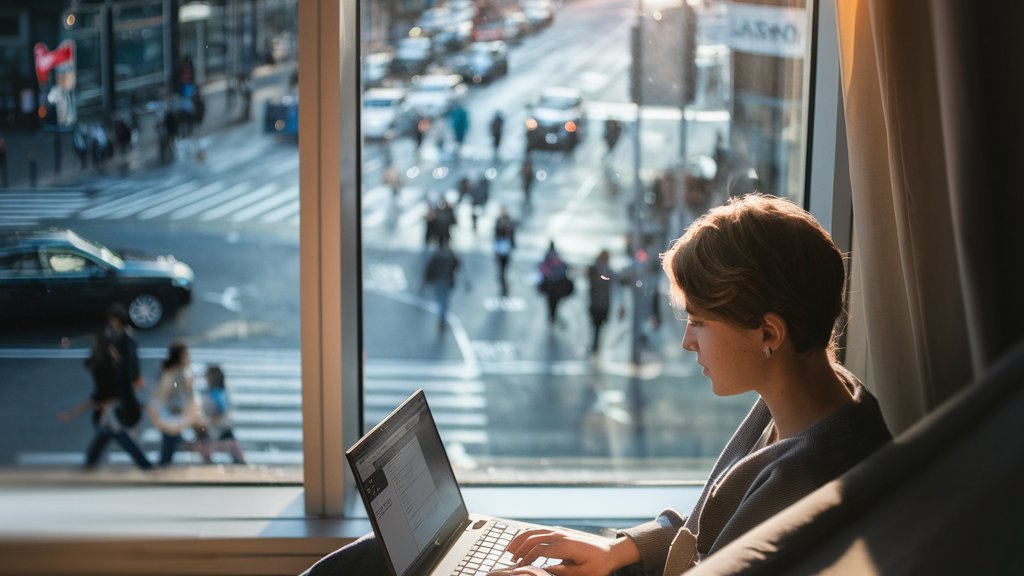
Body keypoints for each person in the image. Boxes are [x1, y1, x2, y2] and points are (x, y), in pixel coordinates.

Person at [301, 194, 892, 575]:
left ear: (768, 332)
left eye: (698, 322)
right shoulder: (812, 398)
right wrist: (620, 548)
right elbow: (707, 540)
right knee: (374, 559)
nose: (687, 342)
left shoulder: (806, 483)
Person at [58, 329, 153, 470]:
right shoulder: (112, 365)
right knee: (112, 435)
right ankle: (145, 465)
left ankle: (91, 465)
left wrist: (73, 413)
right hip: (111, 409)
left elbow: (99, 395)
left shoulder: (102, 366)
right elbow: (105, 393)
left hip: (109, 410)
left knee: (111, 434)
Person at [148, 339, 208, 466]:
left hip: (181, 412)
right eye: (186, 353)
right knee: (172, 441)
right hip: (175, 413)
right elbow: (167, 392)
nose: (188, 356)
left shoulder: (176, 370)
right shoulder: (173, 372)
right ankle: (164, 466)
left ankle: (203, 456)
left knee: (175, 439)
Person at [197, 364, 246, 465]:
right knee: (202, 437)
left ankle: (239, 462)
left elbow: (221, 410)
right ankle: (207, 461)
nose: (207, 378)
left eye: (209, 375)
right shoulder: (207, 391)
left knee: (233, 447)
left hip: (221, 425)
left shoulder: (220, 392)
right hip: (211, 425)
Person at [423, 239, 461, 331]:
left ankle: (441, 319)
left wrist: (427, 280)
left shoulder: (436, 255)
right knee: (444, 301)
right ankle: (442, 320)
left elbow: (429, 268)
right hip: (447, 280)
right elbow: (458, 265)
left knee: (440, 300)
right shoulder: (451, 254)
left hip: (438, 281)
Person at [537, 241, 574, 325]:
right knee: (554, 301)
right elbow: (565, 268)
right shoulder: (558, 257)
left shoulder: (547, 257)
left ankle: (551, 315)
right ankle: (553, 315)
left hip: (550, 285)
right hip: (557, 285)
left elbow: (542, 269)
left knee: (550, 301)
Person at [587, 249, 614, 353]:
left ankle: (595, 344)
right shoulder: (607, 270)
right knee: (599, 326)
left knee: (596, 326)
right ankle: (596, 345)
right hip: (603, 303)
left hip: (595, 302)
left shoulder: (594, 268)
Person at [494, 207, 516, 296]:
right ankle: (502, 279)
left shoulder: (508, 221)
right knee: (501, 266)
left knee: (504, 265)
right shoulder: (499, 221)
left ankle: (503, 278)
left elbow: (512, 233)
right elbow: (496, 233)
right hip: (501, 245)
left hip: (505, 245)